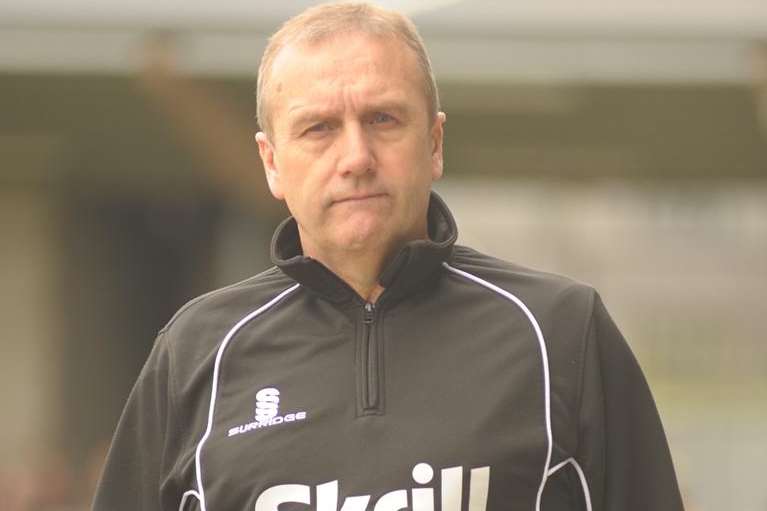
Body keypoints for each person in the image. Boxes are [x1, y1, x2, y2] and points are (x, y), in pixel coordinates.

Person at [93, 3, 684, 511]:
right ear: (272, 162)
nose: (355, 156)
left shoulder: (561, 331)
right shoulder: (195, 352)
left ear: (433, 142)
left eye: (383, 119)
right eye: (319, 128)